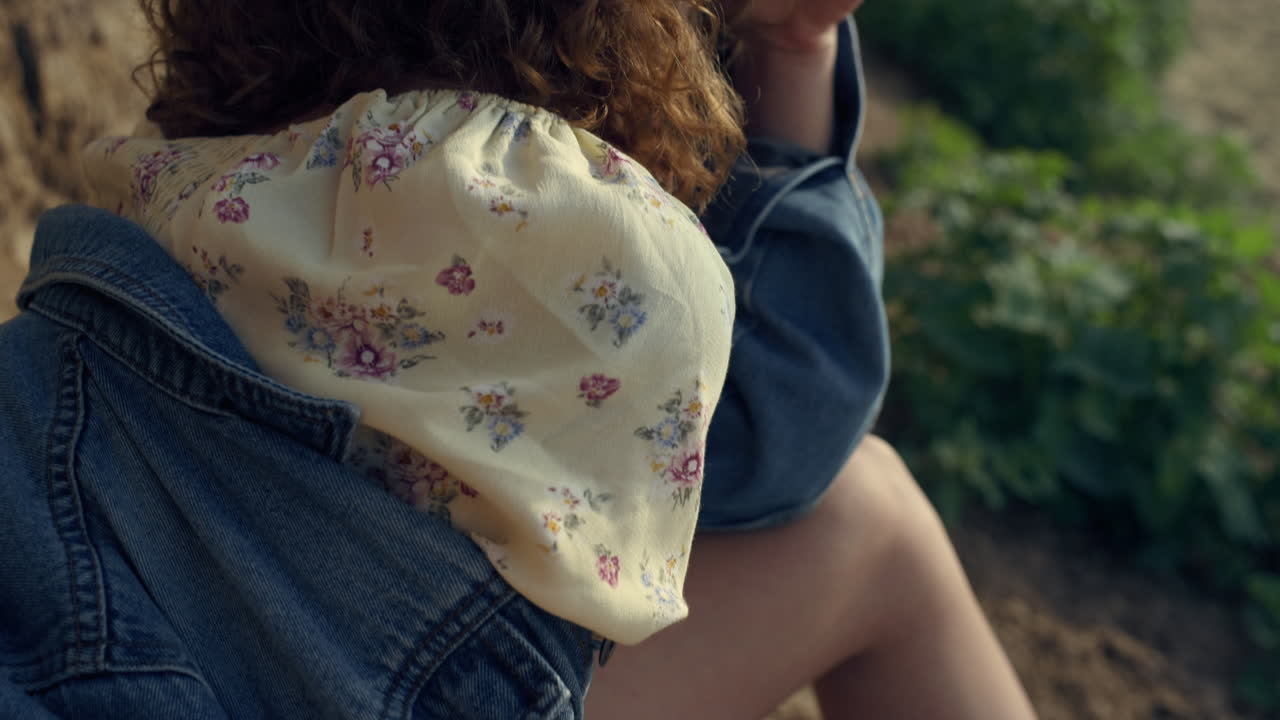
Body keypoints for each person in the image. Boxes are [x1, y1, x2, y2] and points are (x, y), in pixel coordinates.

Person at [0, 2, 1036, 719]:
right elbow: (785, 426)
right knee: (876, 522)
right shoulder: (594, 252)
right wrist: (796, 42)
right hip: (375, 680)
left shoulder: (178, 176)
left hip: (82, 599)